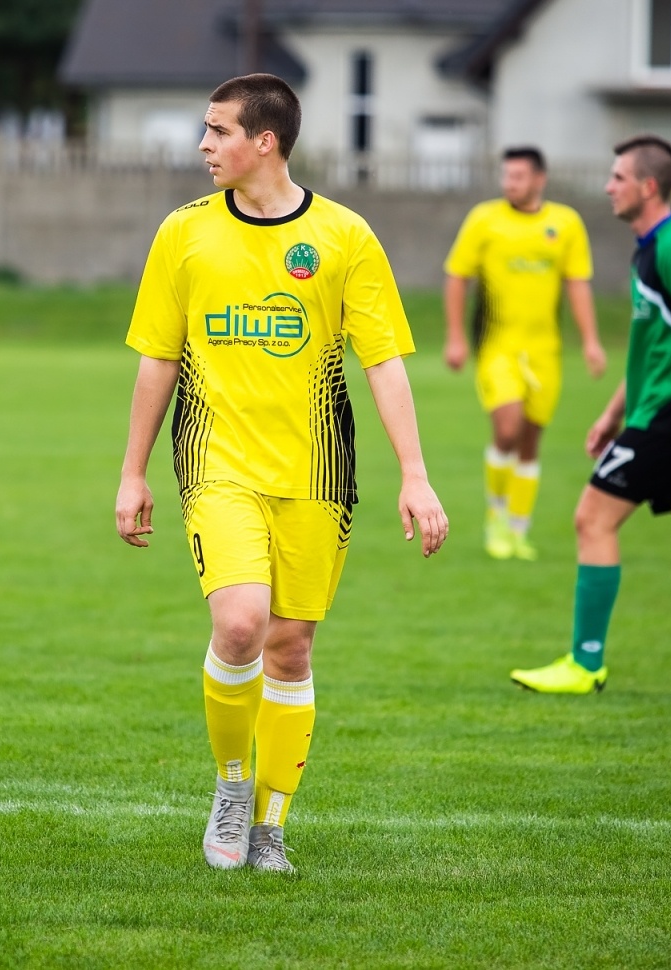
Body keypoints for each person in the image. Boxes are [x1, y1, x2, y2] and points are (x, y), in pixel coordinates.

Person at [115, 73, 450, 873]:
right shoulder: (183, 233)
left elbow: (386, 365)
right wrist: (132, 472)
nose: (203, 144)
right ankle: (232, 787)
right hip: (216, 463)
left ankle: (270, 824)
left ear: (265, 142)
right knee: (239, 625)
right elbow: (159, 360)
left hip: (318, 472)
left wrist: (417, 474)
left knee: (291, 649)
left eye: (218, 131)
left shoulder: (344, 237)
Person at [510, 135, 671, 698]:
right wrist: (612, 413)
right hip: (657, 411)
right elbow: (656, 346)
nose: (608, 186)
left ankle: (585, 663)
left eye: (618, 177)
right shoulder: (648, 248)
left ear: (648, 187)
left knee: (591, 520)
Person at [443, 147, 606, 561]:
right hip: (498, 346)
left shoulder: (565, 223)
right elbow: (457, 275)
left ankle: (519, 530)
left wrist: (590, 341)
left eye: (518, 177)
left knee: (531, 441)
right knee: (507, 429)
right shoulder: (485, 219)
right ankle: (495, 518)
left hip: (546, 351)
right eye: (506, 176)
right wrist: (456, 337)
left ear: (539, 180)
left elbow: (577, 283)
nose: (509, 183)